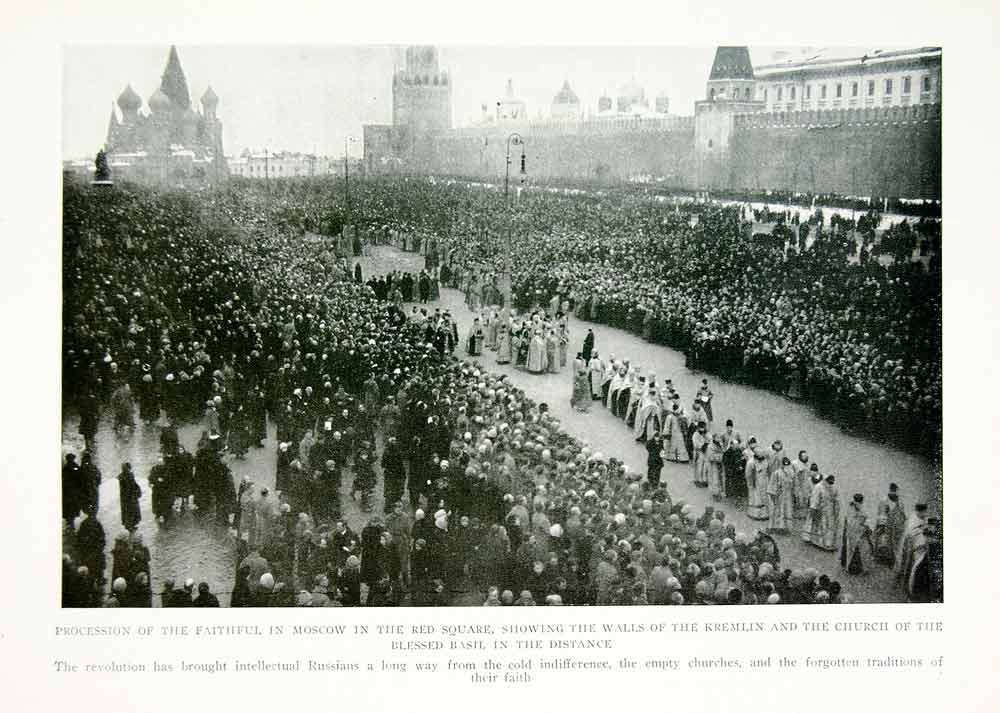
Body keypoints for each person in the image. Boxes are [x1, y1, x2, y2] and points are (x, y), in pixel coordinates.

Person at [873, 484, 906, 566]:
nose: (895, 494)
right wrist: (882, 526)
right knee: (883, 542)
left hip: (897, 527)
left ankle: (892, 557)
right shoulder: (884, 501)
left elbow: (902, 514)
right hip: (886, 526)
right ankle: (882, 558)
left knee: (895, 543)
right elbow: (881, 514)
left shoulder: (900, 502)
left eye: (896, 492)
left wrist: (903, 521)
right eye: (894, 492)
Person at [841, 494, 872, 575]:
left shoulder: (851, 507)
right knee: (859, 550)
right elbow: (867, 523)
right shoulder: (863, 509)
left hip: (854, 532)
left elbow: (846, 519)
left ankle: (850, 567)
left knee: (852, 550)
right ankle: (858, 568)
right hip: (857, 532)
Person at [118, 463, 142, 532]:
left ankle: (128, 525)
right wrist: (137, 492)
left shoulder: (122, 477)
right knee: (132, 512)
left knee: (127, 512)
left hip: (125, 498)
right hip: (131, 497)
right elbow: (133, 486)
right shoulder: (129, 476)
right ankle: (131, 526)